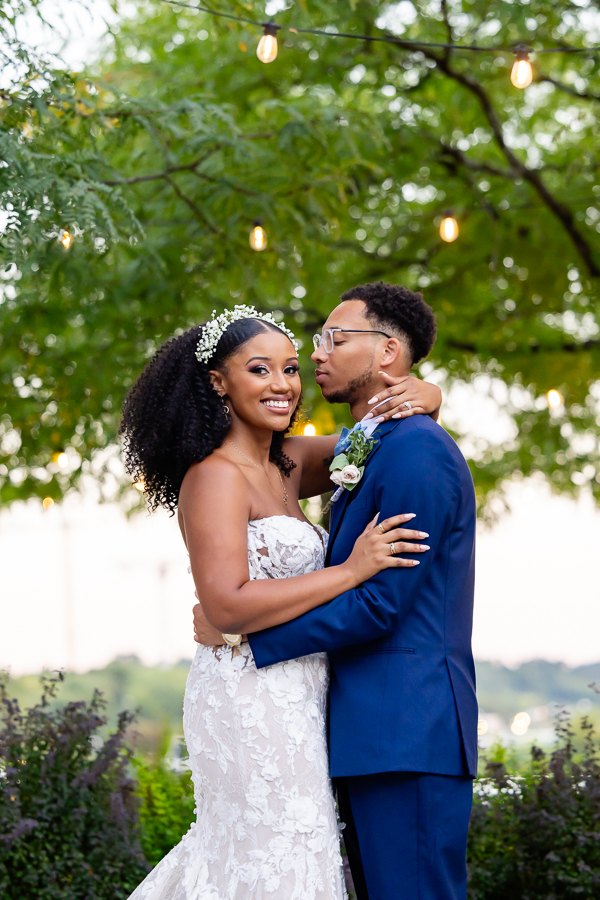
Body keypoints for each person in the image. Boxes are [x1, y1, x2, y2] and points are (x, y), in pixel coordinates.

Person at [119, 302, 441, 900]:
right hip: (248, 696)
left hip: (302, 692)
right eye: (260, 370)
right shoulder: (213, 476)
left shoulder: (288, 464)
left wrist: (430, 393)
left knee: (301, 851)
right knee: (269, 854)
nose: (283, 385)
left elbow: (371, 439)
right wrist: (350, 570)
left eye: (291, 369)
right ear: (218, 382)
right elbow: (227, 607)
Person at [194, 284, 478, 900]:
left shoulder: (416, 453)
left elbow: (382, 601)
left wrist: (246, 638)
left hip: (407, 728)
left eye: (333, 340)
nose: (315, 358)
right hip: (355, 728)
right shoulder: (363, 447)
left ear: (387, 353)